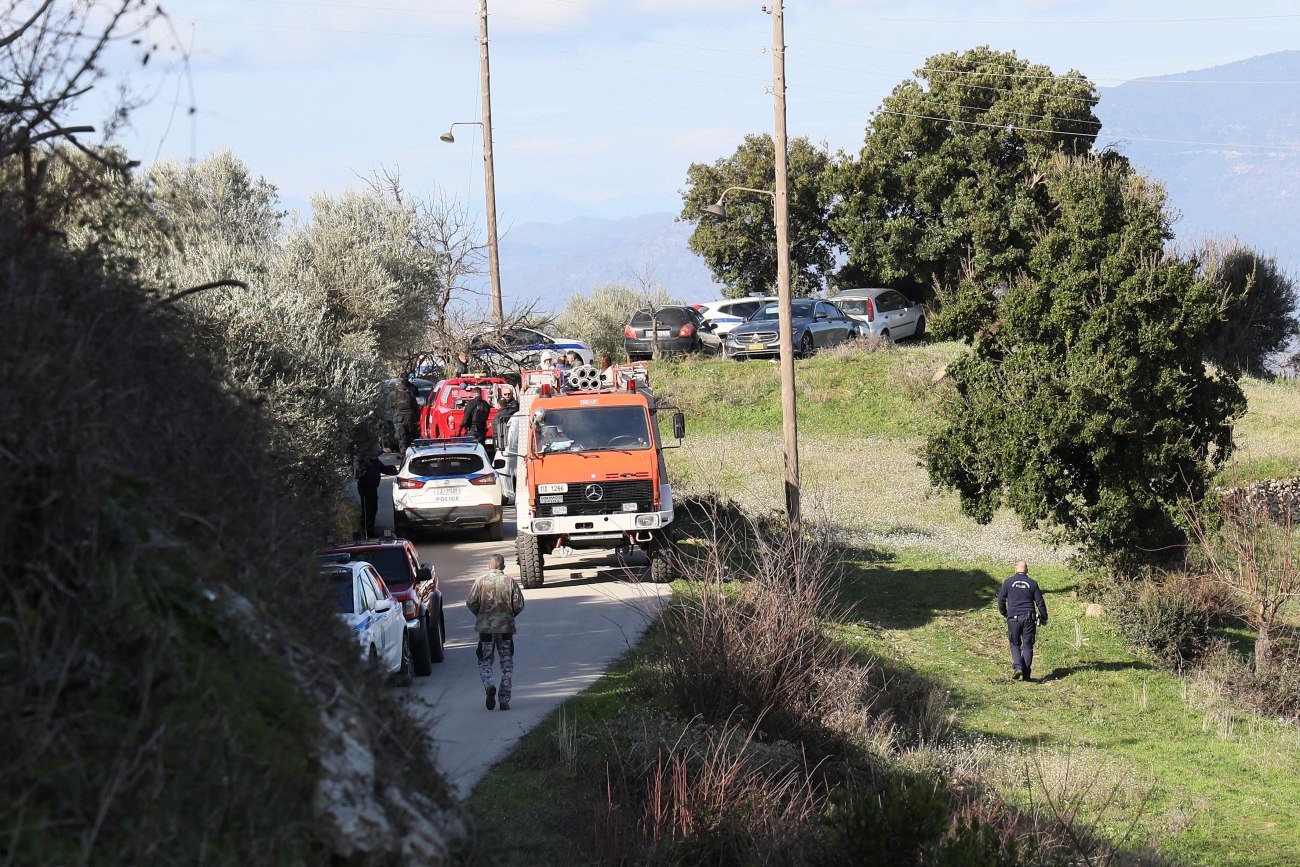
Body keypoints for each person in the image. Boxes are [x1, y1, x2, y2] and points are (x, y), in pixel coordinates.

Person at [465, 553, 525, 711]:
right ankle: (504, 699)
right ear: (503, 567)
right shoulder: (510, 581)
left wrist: (482, 615)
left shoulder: (480, 581)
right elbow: (519, 605)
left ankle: (489, 684)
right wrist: (509, 616)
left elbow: (470, 602)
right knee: (506, 662)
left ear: (488, 566)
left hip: (486, 629)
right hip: (505, 629)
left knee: (485, 660)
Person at [996, 561, 1048, 682]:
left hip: (1013, 618)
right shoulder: (1032, 583)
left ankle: (1018, 666)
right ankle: (1026, 675)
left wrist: (1004, 612)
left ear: (1015, 569)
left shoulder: (1008, 582)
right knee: (1028, 646)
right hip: (1029, 618)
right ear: (1027, 570)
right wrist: (1044, 616)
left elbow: (1000, 599)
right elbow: (1040, 602)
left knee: (1014, 643)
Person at [354, 446, 394, 537]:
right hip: (366, 488)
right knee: (367, 510)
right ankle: (367, 530)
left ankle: (370, 528)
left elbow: (383, 469)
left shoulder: (375, 461)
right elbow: (370, 454)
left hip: (372, 487)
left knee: (372, 509)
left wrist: (393, 471)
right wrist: (382, 450)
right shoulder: (365, 459)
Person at [391, 374, 419, 455]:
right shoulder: (410, 393)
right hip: (410, 420)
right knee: (410, 439)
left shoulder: (393, 395)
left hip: (399, 420)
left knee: (403, 441)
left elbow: (389, 408)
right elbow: (416, 407)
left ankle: (405, 457)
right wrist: (417, 418)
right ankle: (411, 455)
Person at [458, 387, 492, 451]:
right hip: (482, 431)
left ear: (474, 394)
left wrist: (459, 430)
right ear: (480, 394)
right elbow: (486, 417)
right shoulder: (486, 404)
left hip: (472, 430)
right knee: (481, 450)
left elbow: (466, 418)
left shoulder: (471, 403)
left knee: (470, 450)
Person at [492, 385, 519, 451]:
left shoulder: (514, 403)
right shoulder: (502, 404)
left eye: (509, 394)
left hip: (512, 430)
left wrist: (503, 409)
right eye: (505, 394)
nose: (507, 396)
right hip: (503, 431)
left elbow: (512, 410)